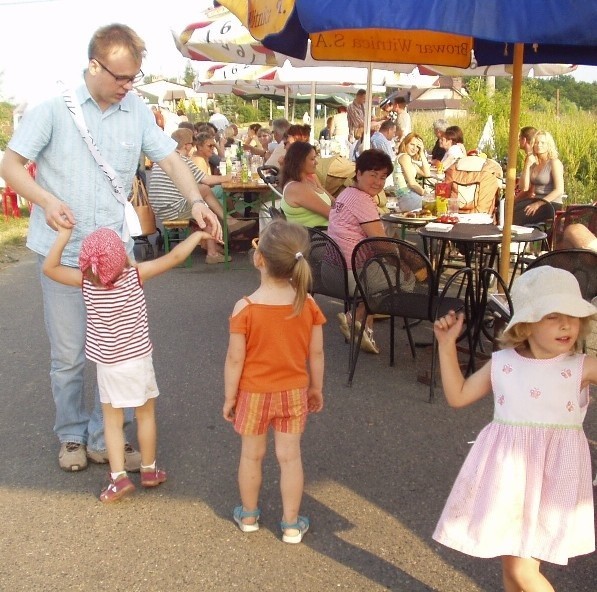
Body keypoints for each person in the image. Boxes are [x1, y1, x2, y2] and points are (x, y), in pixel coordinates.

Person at [0, 23, 221, 472]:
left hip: (115, 259)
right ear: (93, 65)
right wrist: (44, 200)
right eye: (120, 77)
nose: (128, 86)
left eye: (134, 77)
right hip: (64, 252)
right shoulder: (52, 111)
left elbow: (170, 159)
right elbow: (11, 163)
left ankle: (107, 437)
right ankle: (71, 435)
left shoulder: (136, 110)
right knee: (68, 354)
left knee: (115, 350)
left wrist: (197, 201)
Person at [432, 266, 597, 591]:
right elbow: (458, 395)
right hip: (507, 477)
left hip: (554, 475)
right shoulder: (504, 362)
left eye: (574, 316)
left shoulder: (582, 367)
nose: (567, 325)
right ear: (525, 324)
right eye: (553, 316)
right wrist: (446, 345)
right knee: (511, 565)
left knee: (524, 572)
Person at [43, 226, 212, 501]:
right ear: (122, 257)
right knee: (145, 415)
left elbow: (50, 268)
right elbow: (174, 257)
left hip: (109, 366)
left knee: (112, 422)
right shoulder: (135, 276)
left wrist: (63, 235)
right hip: (139, 361)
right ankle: (149, 469)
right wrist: (196, 236)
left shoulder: (85, 283)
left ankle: (118, 478)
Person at [224, 219, 325, 544]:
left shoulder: (246, 308)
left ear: (260, 259)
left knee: (251, 455)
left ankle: (250, 516)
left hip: (253, 394)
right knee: (290, 457)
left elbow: (235, 359)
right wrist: (316, 388)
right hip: (294, 393)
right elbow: (318, 354)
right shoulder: (307, 304)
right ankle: (292, 524)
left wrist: (229, 397)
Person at [148, 129, 254, 264]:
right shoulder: (180, 160)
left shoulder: (163, 160)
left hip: (162, 208)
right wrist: (231, 176)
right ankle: (214, 250)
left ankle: (225, 228)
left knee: (203, 198)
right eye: (192, 143)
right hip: (173, 209)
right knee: (205, 203)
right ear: (186, 145)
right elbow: (206, 180)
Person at [327, 149, 395, 355]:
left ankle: (366, 330)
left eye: (383, 177)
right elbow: (380, 244)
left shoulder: (346, 193)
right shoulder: (361, 200)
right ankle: (354, 317)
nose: (378, 181)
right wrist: (406, 261)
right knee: (404, 279)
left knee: (378, 270)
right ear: (358, 174)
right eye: (373, 175)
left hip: (329, 269)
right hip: (349, 273)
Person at [515, 130, 564, 226]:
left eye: (542, 143)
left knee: (518, 217)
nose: (539, 145)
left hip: (551, 203)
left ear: (548, 145)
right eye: (536, 142)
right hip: (536, 200)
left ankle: (521, 240)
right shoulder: (534, 163)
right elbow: (524, 188)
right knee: (508, 212)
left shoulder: (554, 163)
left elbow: (559, 190)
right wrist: (527, 165)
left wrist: (538, 204)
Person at [280, 142, 335, 228]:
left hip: (328, 232)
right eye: (312, 159)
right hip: (319, 238)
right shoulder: (296, 188)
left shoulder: (311, 179)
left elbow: (334, 201)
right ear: (300, 161)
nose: (316, 162)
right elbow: (331, 214)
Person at [394, 132, 431, 212]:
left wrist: (422, 153)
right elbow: (412, 183)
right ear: (405, 143)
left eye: (417, 146)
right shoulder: (404, 157)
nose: (415, 148)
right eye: (412, 144)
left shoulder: (410, 161)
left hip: (406, 198)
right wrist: (426, 195)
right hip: (408, 196)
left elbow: (427, 174)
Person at [515, 126, 537, 198]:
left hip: (528, 198)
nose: (518, 141)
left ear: (524, 140)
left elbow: (525, 187)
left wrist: (515, 200)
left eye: (519, 138)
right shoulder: (532, 156)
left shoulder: (531, 158)